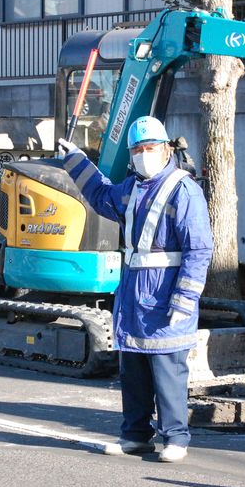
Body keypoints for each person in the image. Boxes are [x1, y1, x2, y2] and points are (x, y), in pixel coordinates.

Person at [57, 115, 213, 463]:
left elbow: (199, 249)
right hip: (134, 293)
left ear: (166, 148)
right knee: (134, 371)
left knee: (168, 369)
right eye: (138, 149)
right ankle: (135, 436)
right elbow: (99, 194)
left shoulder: (183, 189)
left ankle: (176, 438)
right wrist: (76, 161)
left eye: (151, 148)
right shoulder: (131, 188)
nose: (145, 154)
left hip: (165, 293)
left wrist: (186, 297)